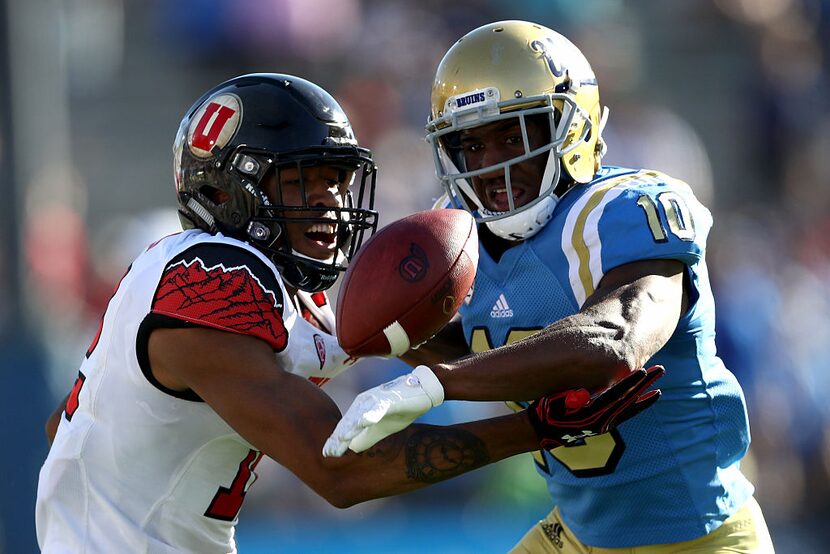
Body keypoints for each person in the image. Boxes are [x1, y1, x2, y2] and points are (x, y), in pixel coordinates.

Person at [35, 73, 662, 553]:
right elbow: (343, 472)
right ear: (226, 191)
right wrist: (538, 429)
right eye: (301, 183)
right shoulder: (213, 281)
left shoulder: (260, 288)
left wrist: (547, 345)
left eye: (336, 179)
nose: (330, 202)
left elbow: (424, 350)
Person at [324, 21, 776, 553]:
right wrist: (363, 333)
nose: (493, 164)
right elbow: (476, 346)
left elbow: (617, 337)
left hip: (697, 535)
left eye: (512, 135)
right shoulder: (458, 235)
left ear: (572, 126)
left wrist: (436, 384)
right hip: (580, 533)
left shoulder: (625, 209)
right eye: (470, 143)